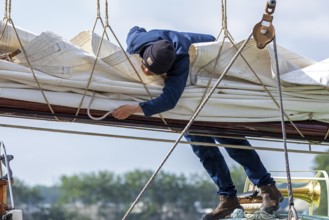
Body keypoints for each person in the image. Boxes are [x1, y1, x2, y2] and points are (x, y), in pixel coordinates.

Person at [112, 26, 283, 219]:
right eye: (145, 66)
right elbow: (134, 29)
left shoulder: (180, 60)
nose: (145, 70)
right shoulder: (137, 41)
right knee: (201, 146)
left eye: (152, 71)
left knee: (229, 137)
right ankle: (228, 199)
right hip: (183, 85)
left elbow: (170, 99)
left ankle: (268, 189)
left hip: (206, 73)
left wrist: (135, 108)